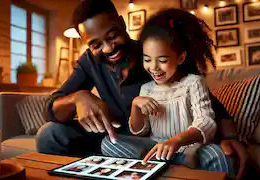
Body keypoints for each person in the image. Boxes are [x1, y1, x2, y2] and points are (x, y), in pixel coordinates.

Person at [36, 0, 248, 179]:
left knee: (217, 157)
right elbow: (51, 107)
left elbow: (209, 105)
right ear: (86, 44)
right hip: (115, 139)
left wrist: (232, 137)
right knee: (49, 135)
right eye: (96, 44)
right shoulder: (89, 62)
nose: (109, 49)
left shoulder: (154, 56)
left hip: (151, 142)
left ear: (121, 23)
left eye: (112, 37)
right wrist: (78, 98)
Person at [101, 8, 221, 171]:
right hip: (155, 147)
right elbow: (140, 131)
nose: (154, 68)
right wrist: (136, 105)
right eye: (147, 60)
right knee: (109, 142)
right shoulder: (146, 89)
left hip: (189, 148)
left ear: (181, 58)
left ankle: (163, 166)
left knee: (219, 155)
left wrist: (176, 141)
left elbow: (206, 122)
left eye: (162, 60)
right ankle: (164, 164)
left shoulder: (193, 83)